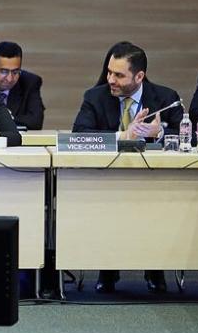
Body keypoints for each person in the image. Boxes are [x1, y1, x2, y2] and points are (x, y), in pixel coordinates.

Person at [72, 41, 180, 294]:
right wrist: (123, 136)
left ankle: (155, 269)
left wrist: (159, 132)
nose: (110, 79)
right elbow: (80, 135)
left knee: (157, 210)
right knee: (107, 206)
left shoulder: (166, 98)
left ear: (139, 76)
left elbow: (192, 136)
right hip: (107, 182)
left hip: (154, 183)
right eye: (109, 72)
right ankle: (107, 270)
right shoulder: (95, 97)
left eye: (119, 75)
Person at [0, 41, 45, 130]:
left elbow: (36, 121)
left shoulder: (30, 82)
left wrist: (4, 118)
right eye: (4, 71)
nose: (10, 78)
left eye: (15, 72)